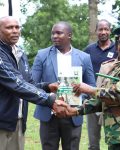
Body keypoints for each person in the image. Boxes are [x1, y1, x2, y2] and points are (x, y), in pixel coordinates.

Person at [68, 21, 120, 150]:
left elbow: (119, 95)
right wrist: (75, 110)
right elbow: (102, 99)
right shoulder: (118, 67)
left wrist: (88, 89)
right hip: (118, 138)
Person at [0, 16, 68, 150]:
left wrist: (47, 86)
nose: (14, 31)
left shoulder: (20, 53)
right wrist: (49, 100)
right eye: (9, 27)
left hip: (17, 120)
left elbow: (28, 83)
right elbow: (16, 84)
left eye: (17, 27)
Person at [32, 21, 95, 150]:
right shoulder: (42, 55)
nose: (55, 36)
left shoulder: (84, 57)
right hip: (48, 113)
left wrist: (78, 100)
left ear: (69, 35)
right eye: (53, 33)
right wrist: (48, 88)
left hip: (72, 114)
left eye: (59, 33)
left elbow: (91, 87)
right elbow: (32, 85)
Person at [84, 19, 118, 150]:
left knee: (113, 138)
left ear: (110, 30)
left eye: (106, 29)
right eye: (100, 29)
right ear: (96, 31)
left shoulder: (118, 48)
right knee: (93, 142)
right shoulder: (89, 50)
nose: (103, 32)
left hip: (111, 99)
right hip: (92, 98)